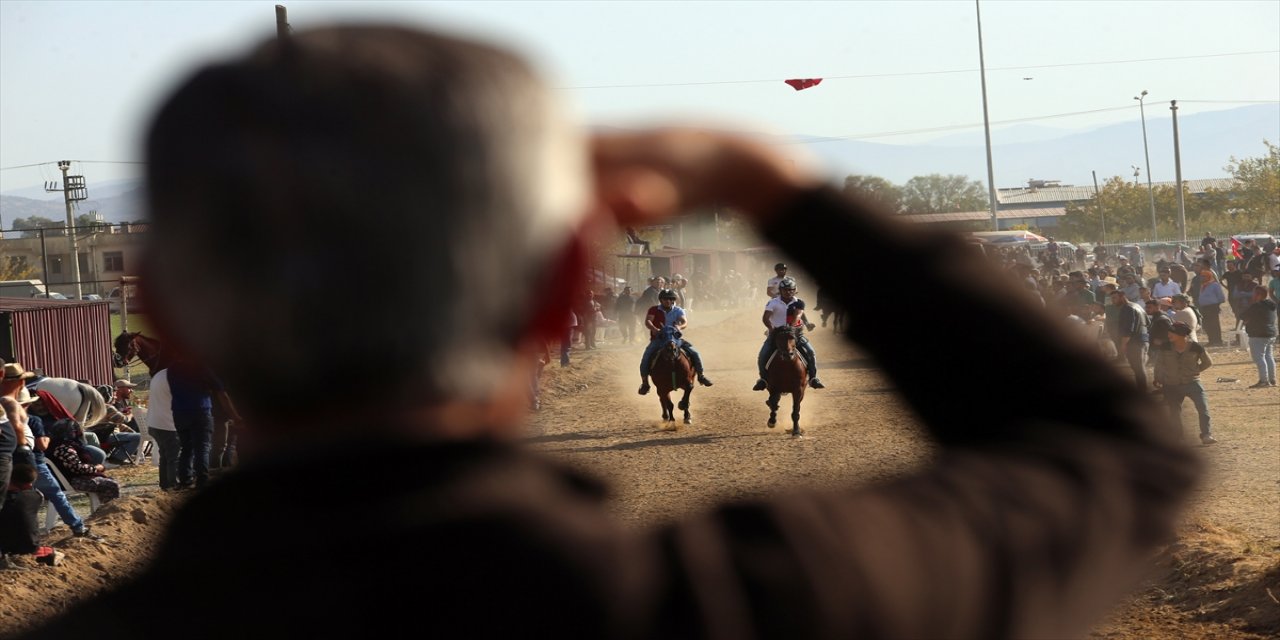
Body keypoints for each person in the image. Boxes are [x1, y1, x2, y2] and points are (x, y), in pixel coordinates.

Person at [24, 26, 1199, 639]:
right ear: (553, 295)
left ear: (162, 313)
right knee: (668, 358)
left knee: (711, 349)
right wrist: (765, 180)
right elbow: (1110, 449)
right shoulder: (761, 604)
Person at [753, 276, 825, 390]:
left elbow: (798, 315)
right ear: (780, 290)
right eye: (785, 290)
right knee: (762, 355)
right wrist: (771, 328)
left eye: (791, 289)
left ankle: (813, 378)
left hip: (795, 334)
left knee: (810, 352)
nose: (788, 292)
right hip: (776, 334)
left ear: (795, 290)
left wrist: (792, 329)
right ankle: (763, 380)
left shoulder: (799, 302)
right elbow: (765, 318)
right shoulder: (772, 302)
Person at [637, 289, 712, 394]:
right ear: (661, 300)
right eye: (665, 299)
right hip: (659, 339)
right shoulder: (654, 310)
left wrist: (679, 326)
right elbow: (648, 321)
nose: (668, 301)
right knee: (646, 358)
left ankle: (700, 375)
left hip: (675, 339)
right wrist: (654, 328)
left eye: (670, 299)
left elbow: (684, 322)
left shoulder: (678, 310)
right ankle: (645, 383)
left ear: (673, 300)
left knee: (695, 353)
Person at [1159, 322, 1216, 445]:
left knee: (1203, 408)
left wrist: (1195, 371)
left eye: (1172, 332)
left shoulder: (1196, 347)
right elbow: (1159, 364)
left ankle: (1206, 434)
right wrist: (1158, 378)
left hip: (1192, 383)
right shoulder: (1165, 346)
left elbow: (1208, 362)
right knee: (1174, 412)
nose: (1169, 334)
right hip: (1171, 385)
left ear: (1181, 334)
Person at [46, 419, 120, 504]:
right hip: (71, 480)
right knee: (111, 485)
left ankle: (101, 507)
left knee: (109, 481)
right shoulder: (64, 448)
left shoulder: (56, 444)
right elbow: (77, 468)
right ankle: (108, 512)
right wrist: (97, 468)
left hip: (68, 478)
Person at [1110, 288, 1150, 391]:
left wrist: (1123, 345)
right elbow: (1148, 323)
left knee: (1138, 369)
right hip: (1143, 341)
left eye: (1114, 298)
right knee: (1139, 368)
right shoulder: (1137, 306)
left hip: (1135, 343)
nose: (1112, 301)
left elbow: (1128, 329)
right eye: (1111, 298)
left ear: (1122, 296)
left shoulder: (1127, 308)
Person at [1239, 285, 1278, 388]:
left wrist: (1249, 320)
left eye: (1254, 293)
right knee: (1269, 357)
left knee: (1259, 358)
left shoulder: (1256, 306)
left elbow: (1242, 315)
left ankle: (1264, 381)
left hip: (1258, 334)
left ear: (1258, 294)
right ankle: (1272, 379)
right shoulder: (1272, 304)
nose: (1253, 295)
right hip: (1271, 333)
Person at [1197, 269, 1228, 346]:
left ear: (1208, 277)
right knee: (1207, 325)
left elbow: (1221, 297)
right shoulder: (1203, 285)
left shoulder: (1215, 285)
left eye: (1204, 276)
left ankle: (1217, 340)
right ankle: (1211, 340)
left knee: (1214, 324)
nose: (1202, 278)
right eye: (1201, 277)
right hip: (1204, 308)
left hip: (1213, 307)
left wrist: (1216, 305)